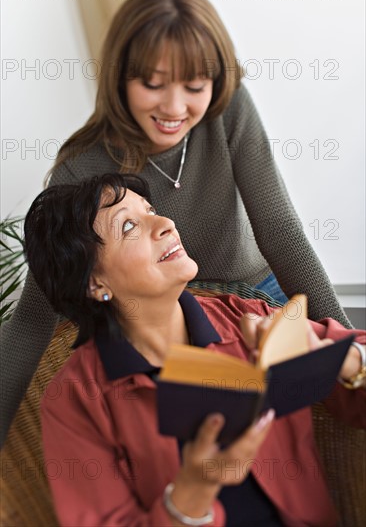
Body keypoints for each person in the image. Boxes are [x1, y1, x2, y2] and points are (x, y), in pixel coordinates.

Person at [0, 0, 353, 448]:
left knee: (333, 415)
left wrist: (350, 345)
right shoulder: (80, 169)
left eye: (194, 86)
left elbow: (281, 232)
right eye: (152, 84)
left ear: (215, 83)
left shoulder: (229, 111)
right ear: (121, 77)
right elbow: (33, 318)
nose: (173, 108)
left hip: (260, 301)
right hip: (171, 319)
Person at [23, 173, 365, 527]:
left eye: (151, 209)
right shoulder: (76, 400)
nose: (166, 223)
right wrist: (195, 489)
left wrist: (336, 357)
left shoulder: (245, 318)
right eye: (128, 226)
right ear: (94, 283)